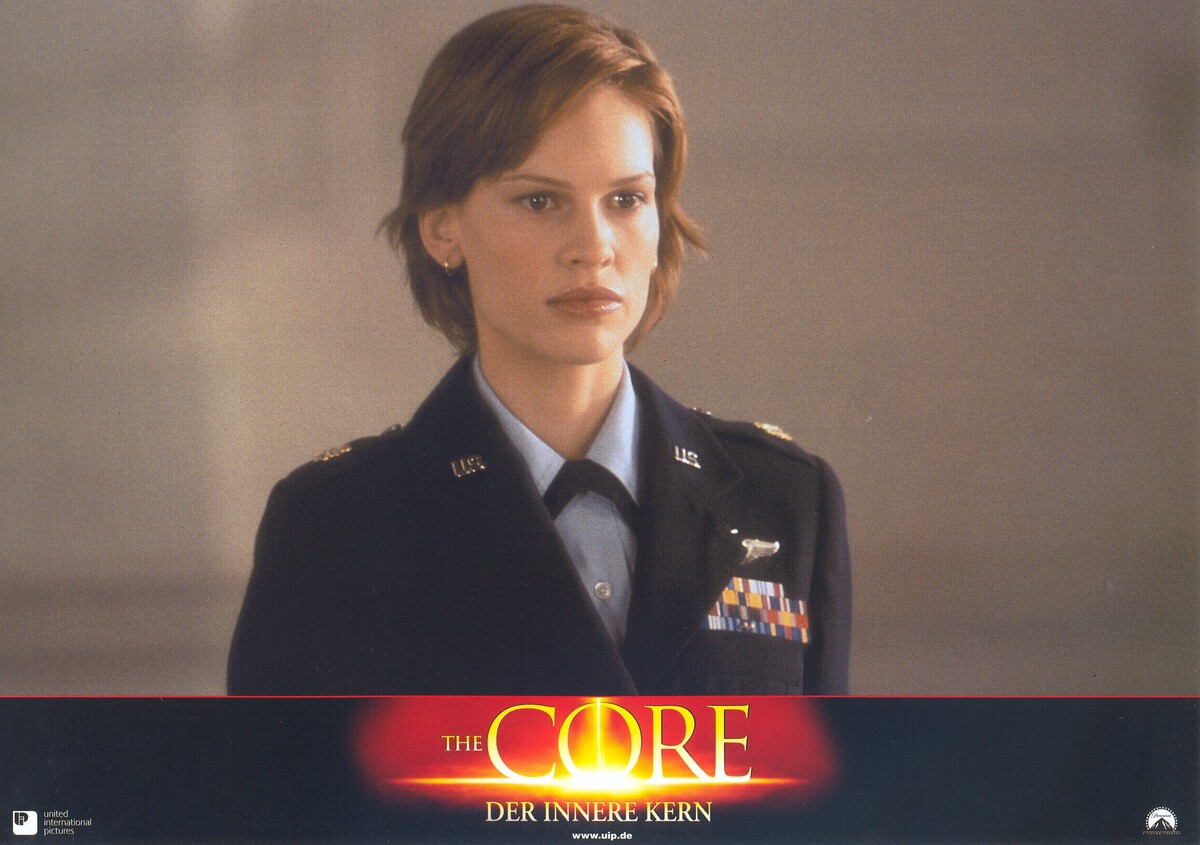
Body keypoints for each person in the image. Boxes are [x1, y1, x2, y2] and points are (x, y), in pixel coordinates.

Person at [227, 3, 850, 696]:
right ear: (442, 229)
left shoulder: (785, 499)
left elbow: (822, 768)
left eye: (626, 200)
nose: (594, 247)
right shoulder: (336, 525)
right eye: (540, 202)